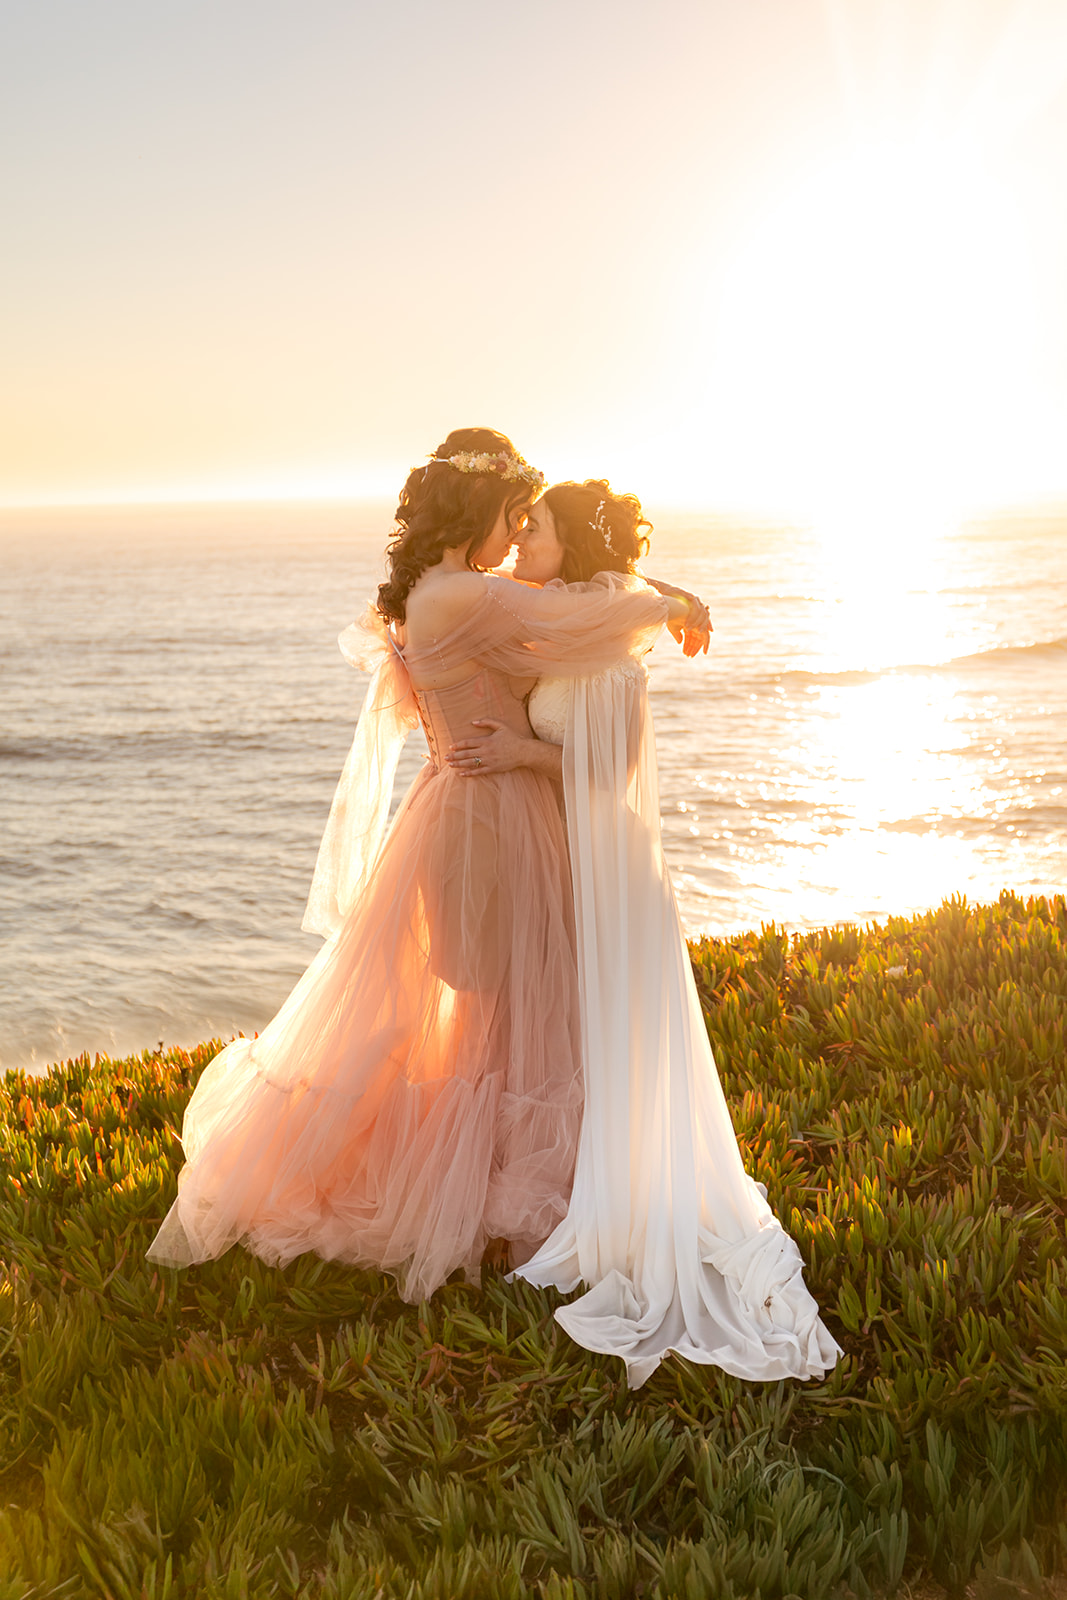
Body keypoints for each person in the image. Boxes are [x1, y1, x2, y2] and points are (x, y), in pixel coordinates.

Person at [147, 430, 693, 1302]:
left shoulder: (434, 594)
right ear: (476, 515)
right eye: (511, 521)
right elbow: (572, 615)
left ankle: (495, 1177)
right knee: (500, 1005)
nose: (517, 540)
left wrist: (652, 595)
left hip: (466, 804)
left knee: (494, 1006)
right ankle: (489, 1193)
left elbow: (555, 609)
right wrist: (673, 601)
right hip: (488, 815)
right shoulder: (466, 596)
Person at [447, 480, 842, 1388]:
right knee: (583, 1033)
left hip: (608, 866)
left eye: (531, 529)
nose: (516, 544)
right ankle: (582, 1185)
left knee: (614, 1035)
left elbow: (610, 768)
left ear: (569, 547)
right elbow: (591, 585)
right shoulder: (576, 609)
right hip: (570, 859)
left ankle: (622, 1207)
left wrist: (516, 754)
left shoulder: (612, 642)